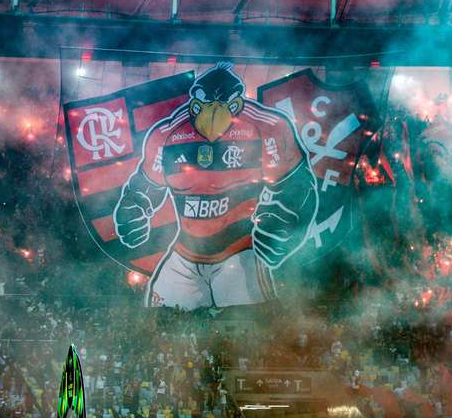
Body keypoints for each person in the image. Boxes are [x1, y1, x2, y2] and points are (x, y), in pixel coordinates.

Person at [114, 62, 318, 309]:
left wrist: (279, 228)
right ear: (193, 104)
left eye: (224, 106)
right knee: (162, 325)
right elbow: (145, 186)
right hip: (183, 257)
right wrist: (133, 213)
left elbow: (296, 184)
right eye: (204, 105)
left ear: (237, 105)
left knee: (248, 331)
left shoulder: (267, 126)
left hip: (240, 256)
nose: (213, 114)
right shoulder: (166, 135)